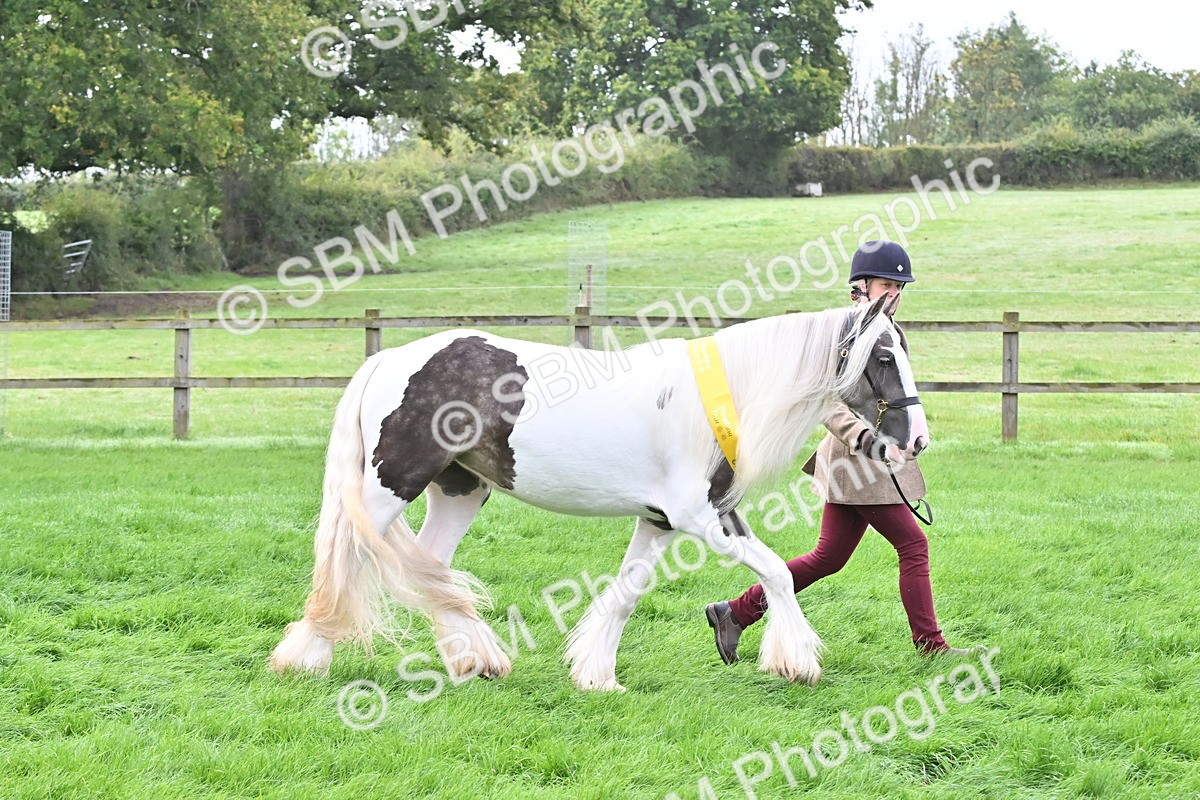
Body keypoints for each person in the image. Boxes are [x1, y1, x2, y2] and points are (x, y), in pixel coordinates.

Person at [705, 241, 981, 663]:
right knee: (913, 545)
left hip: (870, 464)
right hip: (858, 464)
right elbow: (828, 404)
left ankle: (735, 612)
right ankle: (931, 646)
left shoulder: (889, 330)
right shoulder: (843, 333)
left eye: (900, 287)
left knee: (828, 557)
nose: (895, 294)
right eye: (887, 285)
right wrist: (868, 440)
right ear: (861, 287)